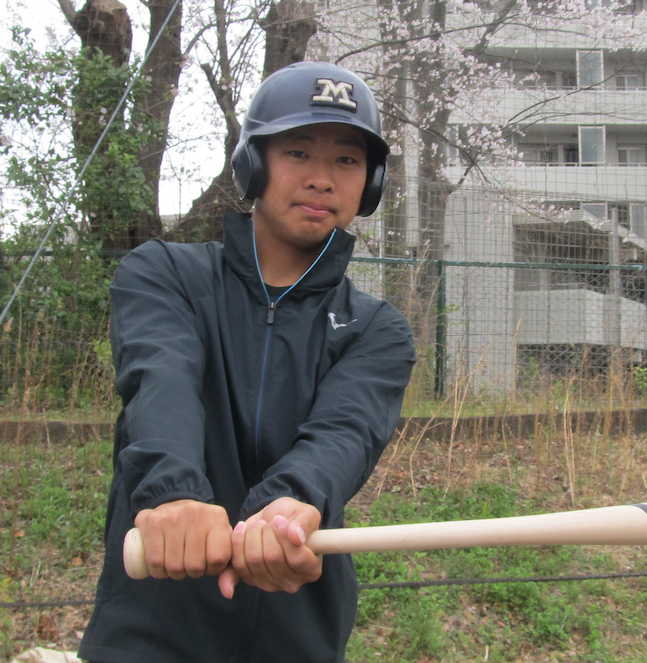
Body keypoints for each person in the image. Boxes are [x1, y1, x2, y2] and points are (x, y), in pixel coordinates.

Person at [79, 61, 415, 663]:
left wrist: (287, 506)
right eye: (297, 153)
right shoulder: (165, 274)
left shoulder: (376, 329)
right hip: (150, 626)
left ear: (370, 183)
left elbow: (345, 432)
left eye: (346, 160)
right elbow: (161, 382)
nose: (322, 179)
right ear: (253, 165)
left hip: (298, 631)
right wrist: (174, 494)